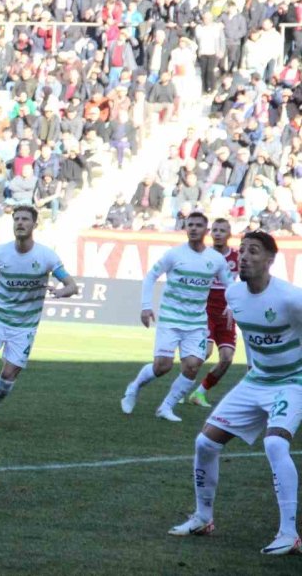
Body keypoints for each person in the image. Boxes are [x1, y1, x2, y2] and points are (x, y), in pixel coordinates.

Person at [168, 231, 300, 556]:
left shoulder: (290, 299)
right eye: (242, 251)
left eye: (253, 251)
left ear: (270, 260)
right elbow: (252, 338)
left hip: (293, 380)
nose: (244, 257)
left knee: (275, 443)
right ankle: (203, 518)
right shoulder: (234, 294)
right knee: (205, 443)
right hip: (257, 379)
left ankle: (289, 534)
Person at [0, 205, 78, 428]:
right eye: (17, 219)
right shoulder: (0, 253)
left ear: (35, 224)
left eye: (25, 219)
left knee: (8, 376)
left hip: (25, 326)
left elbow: (72, 286)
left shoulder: (46, 256)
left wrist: (61, 292)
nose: (20, 222)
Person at [121, 212, 232, 421]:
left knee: (193, 365)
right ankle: (134, 387)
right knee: (163, 366)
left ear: (206, 231)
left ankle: (166, 407)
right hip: (171, 319)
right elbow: (150, 277)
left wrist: (232, 305)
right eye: (190, 225)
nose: (194, 228)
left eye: (198, 225)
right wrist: (146, 306)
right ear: (186, 228)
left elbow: (230, 285)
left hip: (196, 322)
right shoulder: (174, 255)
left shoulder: (216, 259)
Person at [187, 218, 240, 407]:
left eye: (222, 230)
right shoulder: (204, 256)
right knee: (205, 352)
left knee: (226, 358)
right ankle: (181, 388)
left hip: (227, 314)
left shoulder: (237, 257)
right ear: (210, 233)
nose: (218, 233)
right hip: (207, 311)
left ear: (229, 234)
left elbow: (244, 283)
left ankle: (199, 393)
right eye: (215, 230)